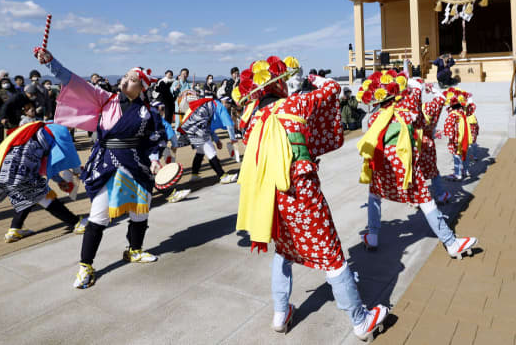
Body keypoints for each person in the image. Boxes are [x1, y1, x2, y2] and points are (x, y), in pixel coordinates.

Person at [235, 56, 388, 339]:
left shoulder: (252, 119)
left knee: (284, 251)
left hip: (272, 197)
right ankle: (359, 320)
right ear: (280, 83)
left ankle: (280, 314)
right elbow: (332, 90)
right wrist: (311, 79)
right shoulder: (296, 104)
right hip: (302, 191)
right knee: (331, 255)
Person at [35, 48, 166, 289]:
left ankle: (134, 250)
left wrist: (156, 158)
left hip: (137, 165)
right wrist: (50, 62)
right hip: (106, 163)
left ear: (142, 88)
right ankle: (85, 266)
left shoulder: (149, 112)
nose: (125, 81)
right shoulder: (105, 98)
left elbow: (155, 140)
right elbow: (72, 81)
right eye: (125, 76)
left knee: (140, 213)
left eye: (133, 80)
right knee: (99, 216)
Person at [356, 70, 478, 261]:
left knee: (374, 195)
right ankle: (451, 242)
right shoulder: (407, 112)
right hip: (402, 164)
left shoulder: (373, 117)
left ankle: (372, 236)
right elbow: (421, 116)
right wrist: (416, 84)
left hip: (380, 164)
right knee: (425, 200)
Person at [0, 121, 88, 242]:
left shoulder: (41, 128)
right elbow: (70, 155)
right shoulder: (60, 130)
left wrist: (59, 180)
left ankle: (14, 229)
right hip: (20, 170)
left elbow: (46, 164)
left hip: (3, 169)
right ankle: (76, 223)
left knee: (25, 196)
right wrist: (78, 171)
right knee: (45, 196)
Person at [177, 94, 233, 184]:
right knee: (211, 153)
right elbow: (229, 125)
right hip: (198, 129)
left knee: (200, 152)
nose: (229, 106)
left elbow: (208, 127)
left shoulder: (210, 104)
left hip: (191, 127)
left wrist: (217, 140)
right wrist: (233, 139)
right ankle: (223, 176)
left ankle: (194, 175)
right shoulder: (219, 107)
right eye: (229, 104)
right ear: (224, 102)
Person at [419, 82, 450, 204]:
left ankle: (416, 199)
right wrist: (433, 90)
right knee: (433, 170)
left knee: (415, 172)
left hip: (411, 144)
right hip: (427, 143)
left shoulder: (407, 110)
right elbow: (441, 98)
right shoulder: (428, 108)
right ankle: (441, 194)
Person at [442, 88, 479, 182]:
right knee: (464, 153)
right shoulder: (462, 112)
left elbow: (448, 127)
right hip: (463, 137)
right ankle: (465, 171)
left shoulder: (452, 115)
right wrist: (469, 99)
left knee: (456, 155)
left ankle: (457, 174)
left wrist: (448, 135)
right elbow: (471, 108)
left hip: (456, 138)